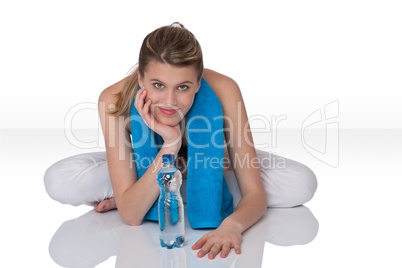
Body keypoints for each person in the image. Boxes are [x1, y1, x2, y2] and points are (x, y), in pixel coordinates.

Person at [44, 22, 317, 260]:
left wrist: (233, 225)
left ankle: (167, 187)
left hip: (213, 162)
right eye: (158, 85)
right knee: (60, 180)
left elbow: (254, 194)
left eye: (183, 87)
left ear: (198, 83)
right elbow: (131, 215)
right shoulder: (112, 98)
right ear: (140, 78)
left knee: (301, 183)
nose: (170, 102)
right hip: (146, 163)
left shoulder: (224, 89)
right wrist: (170, 143)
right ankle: (152, 185)